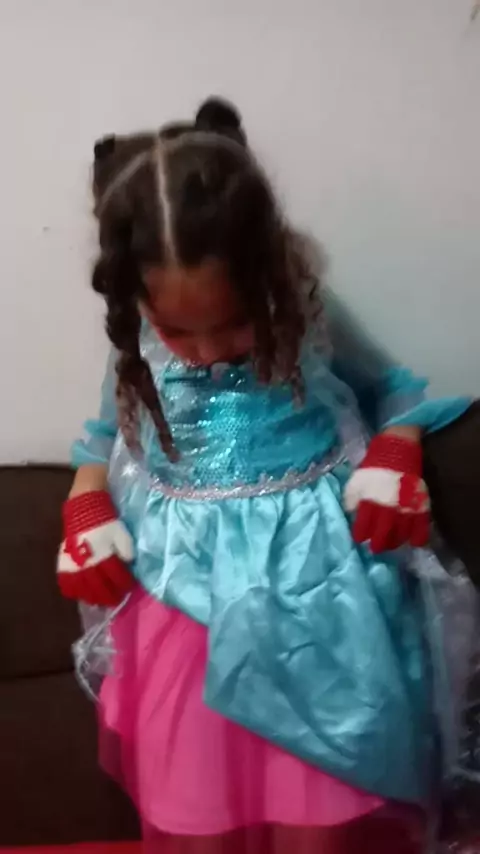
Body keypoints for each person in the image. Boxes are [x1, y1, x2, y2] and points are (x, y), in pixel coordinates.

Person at [57, 98, 473, 854]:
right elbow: (101, 442)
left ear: (265, 271)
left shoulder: (306, 308)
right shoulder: (138, 340)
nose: (208, 351)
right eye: (179, 330)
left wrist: (396, 452)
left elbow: (396, 391)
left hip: (317, 589)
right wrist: (85, 507)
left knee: (317, 804)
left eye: (233, 323)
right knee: (197, 803)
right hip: (184, 598)